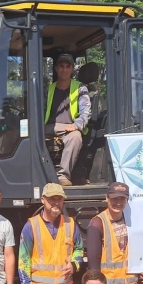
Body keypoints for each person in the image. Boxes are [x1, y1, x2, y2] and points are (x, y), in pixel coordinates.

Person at [86, 181, 143, 284]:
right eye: (114, 198)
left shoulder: (131, 222)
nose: (118, 202)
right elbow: (93, 264)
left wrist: (142, 268)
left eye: (122, 199)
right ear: (107, 198)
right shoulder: (97, 224)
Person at [45, 53, 91, 187]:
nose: (64, 70)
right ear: (56, 68)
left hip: (69, 128)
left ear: (72, 69)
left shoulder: (80, 88)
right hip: (50, 126)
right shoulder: (49, 88)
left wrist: (76, 125)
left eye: (67, 66)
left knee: (76, 137)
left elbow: (86, 111)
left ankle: (63, 176)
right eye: (61, 66)